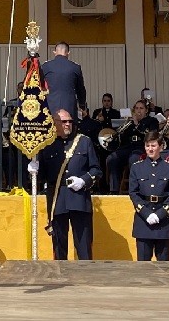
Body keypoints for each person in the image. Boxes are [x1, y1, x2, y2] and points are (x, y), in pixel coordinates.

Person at [30, 108, 102, 260]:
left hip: (79, 198)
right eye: (63, 121)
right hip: (57, 199)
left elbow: (96, 170)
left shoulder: (84, 142)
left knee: (84, 246)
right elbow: (42, 176)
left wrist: (84, 180)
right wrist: (33, 169)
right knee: (59, 246)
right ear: (54, 124)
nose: (68, 124)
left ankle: (86, 277)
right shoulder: (46, 144)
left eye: (70, 121)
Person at [129, 132, 169, 261]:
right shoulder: (136, 167)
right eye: (147, 145)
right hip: (143, 222)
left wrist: (160, 214)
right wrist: (146, 213)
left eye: (153, 145)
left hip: (163, 222)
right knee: (143, 265)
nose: (150, 149)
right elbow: (133, 193)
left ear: (161, 147)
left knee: (164, 266)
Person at [105, 99, 159, 193]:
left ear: (146, 110)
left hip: (141, 148)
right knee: (111, 158)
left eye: (141, 108)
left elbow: (150, 136)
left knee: (133, 159)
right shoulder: (129, 123)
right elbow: (123, 139)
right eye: (137, 108)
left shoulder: (152, 121)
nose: (139, 110)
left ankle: (135, 189)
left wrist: (137, 124)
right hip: (128, 148)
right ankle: (114, 190)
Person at [41, 41, 86, 119]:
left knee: (51, 129)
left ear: (54, 52)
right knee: (69, 128)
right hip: (69, 106)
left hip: (50, 106)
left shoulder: (46, 66)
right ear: (68, 53)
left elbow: (39, 85)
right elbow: (81, 89)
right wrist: (82, 105)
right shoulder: (75, 67)